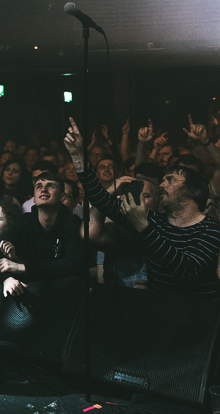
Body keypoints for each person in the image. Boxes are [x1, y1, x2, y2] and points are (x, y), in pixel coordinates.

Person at [64, 117, 220, 299]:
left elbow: (186, 271)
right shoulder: (156, 222)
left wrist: (143, 227)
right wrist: (77, 156)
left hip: (199, 319)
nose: (162, 184)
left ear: (193, 191)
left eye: (171, 180)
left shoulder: (212, 228)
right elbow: (101, 199)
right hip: (161, 315)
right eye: (162, 180)